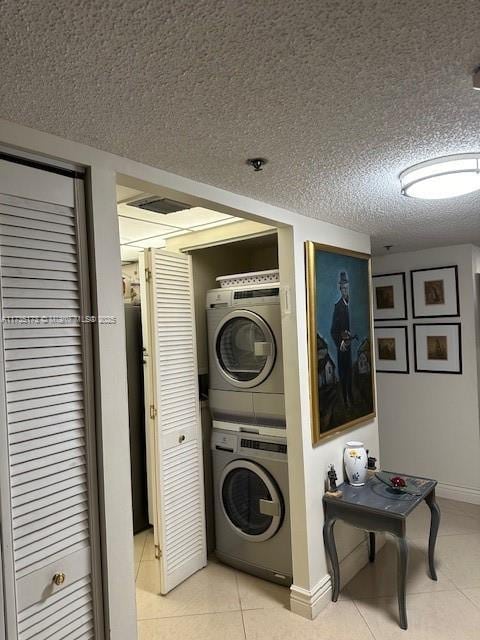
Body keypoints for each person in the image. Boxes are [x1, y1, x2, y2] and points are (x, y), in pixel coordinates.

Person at [330, 271, 354, 407]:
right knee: (343, 374)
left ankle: (351, 398)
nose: (345, 291)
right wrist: (341, 343)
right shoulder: (338, 307)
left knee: (350, 373)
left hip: (350, 346)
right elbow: (333, 330)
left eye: (347, 288)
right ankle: (345, 400)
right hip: (342, 348)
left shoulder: (351, 305)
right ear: (340, 289)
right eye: (343, 288)